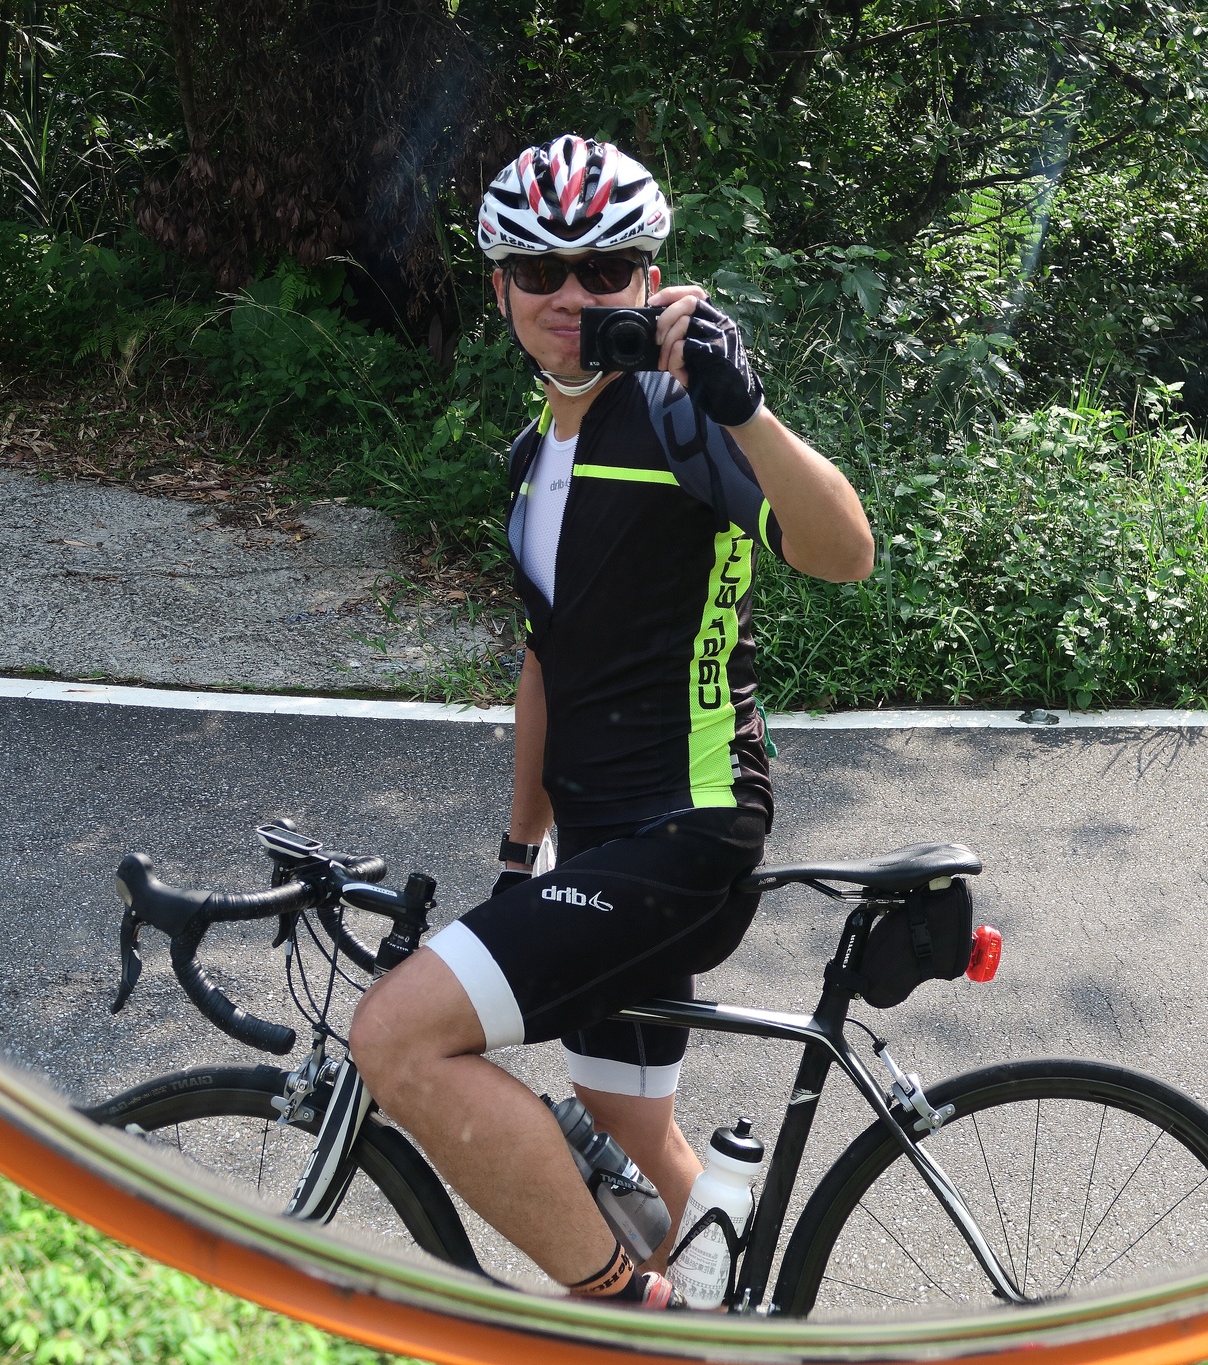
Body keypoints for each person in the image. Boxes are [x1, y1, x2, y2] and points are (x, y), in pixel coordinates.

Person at [349, 135, 873, 1309]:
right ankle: (729, 1327)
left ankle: (619, 1308)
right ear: (500, 290)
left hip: (687, 831)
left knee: (395, 1037)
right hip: (594, 840)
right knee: (628, 1131)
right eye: (541, 272)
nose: (572, 296)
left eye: (604, 268)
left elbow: (843, 552)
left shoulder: (684, 420)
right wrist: (517, 851)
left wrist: (747, 409)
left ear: (650, 279)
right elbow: (548, 658)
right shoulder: (533, 454)